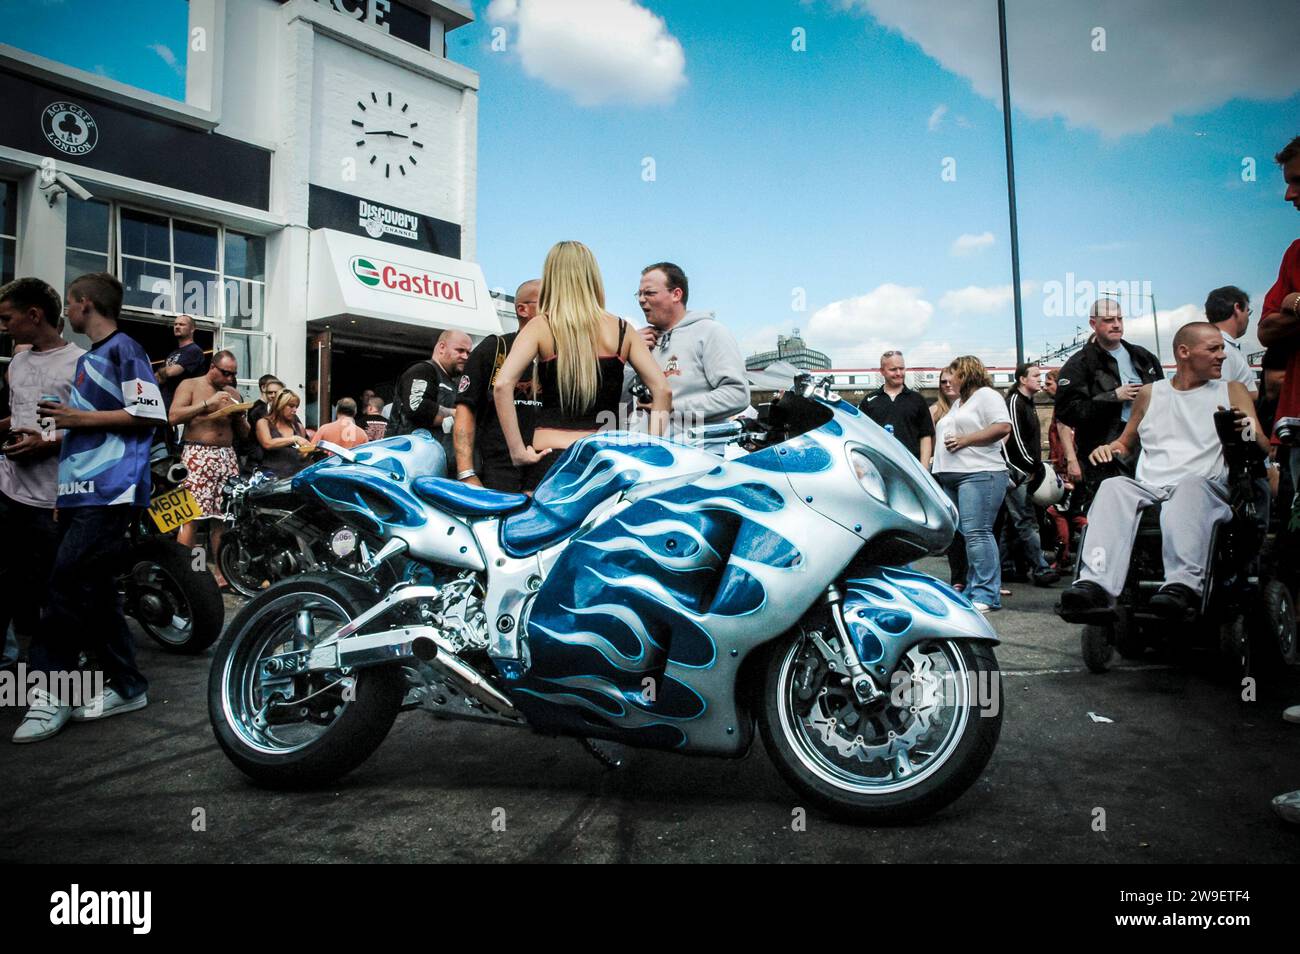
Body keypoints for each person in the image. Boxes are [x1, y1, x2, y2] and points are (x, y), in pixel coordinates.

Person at [12, 273, 167, 742]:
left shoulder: (124, 348)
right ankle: (128, 684)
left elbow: (150, 414)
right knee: (94, 590)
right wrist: (65, 489)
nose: (68, 312)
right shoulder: (91, 360)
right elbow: (85, 436)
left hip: (112, 489)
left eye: (72, 304)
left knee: (62, 583)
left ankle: (48, 693)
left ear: (83, 304)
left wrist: (79, 418)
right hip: (82, 492)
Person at [1058, 322, 1268, 622]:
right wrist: (1109, 449)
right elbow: (1126, 443)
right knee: (1113, 487)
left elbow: (1260, 446)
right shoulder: (1150, 393)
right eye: (1213, 349)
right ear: (1184, 352)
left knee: (1189, 487)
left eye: (1222, 349)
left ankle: (1182, 586)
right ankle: (1095, 585)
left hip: (1205, 485)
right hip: (1152, 485)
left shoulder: (1232, 391)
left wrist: (1243, 428)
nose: (1222, 355)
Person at [494, 241, 671, 492]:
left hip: (550, 458)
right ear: (592, 277)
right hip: (606, 460)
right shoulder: (621, 329)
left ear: (553, 277)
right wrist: (653, 451)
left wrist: (517, 451)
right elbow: (663, 390)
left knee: (539, 530)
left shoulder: (541, 326)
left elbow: (502, 385)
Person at [0, 279, 84, 683]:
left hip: (57, 499)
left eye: (7, 318)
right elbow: (23, 416)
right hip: (10, 491)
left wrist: (47, 444)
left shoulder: (82, 363)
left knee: (57, 590)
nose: (4, 327)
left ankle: (61, 670)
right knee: (11, 584)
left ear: (34, 315)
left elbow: (96, 431)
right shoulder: (16, 364)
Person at [1055, 297, 1164, 493]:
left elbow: (1165, 398)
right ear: (1093, 324)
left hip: (1147, 449)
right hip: (1103, 456)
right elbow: (1067, 412)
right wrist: (1113, 397)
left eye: (1119, 319)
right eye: (1108, 320)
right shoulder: (1078, 364)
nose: (1116, 325)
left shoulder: (1144, 357)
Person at [931, 356, 1013, 613]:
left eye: (952, 374)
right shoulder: (958, 403)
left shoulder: (987, 396)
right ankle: (974, 587)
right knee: (967, 535)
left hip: (979, 473)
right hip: (953, 475)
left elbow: (1002, 427)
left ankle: (987, 594)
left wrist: (966, 440)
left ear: (965, 374)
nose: (949, 380)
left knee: (978, 533)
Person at [631, 262, 748, 435]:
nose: (641, 300)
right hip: (647, 454)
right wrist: (629, 354)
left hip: (696, 457)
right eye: (639, 294)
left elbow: (737, 395)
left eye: (649, 293)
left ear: (676, 294)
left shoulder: (710, 332)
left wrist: (670, 407)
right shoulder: (643, 342)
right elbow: (619, 400)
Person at [169, 350, 250, 587]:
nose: (229, 379)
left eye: (233, 374)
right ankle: (191, 572)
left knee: (222, 518)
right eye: (225, 373)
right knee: (192, 517)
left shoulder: (232, 392)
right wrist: (207, 405)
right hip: (198, 453)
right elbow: (173, 416)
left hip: (226, 456)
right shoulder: (191, 385)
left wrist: (239, 416)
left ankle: (222, 574)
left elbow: (244, 435)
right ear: (212, 367)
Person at [454, 279, 541, 491]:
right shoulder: (494, 349)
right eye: (548, 303)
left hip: (546, 473)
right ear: (522, 309)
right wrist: (466, 473)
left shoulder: (561, 356)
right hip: (497, 472)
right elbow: (465, 412)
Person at [1255, 135, 1300, 494]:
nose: (1289, 196)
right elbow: (1266, 330)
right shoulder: (1295, 253)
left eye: (1298, 181)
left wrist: (1295, 303)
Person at [1002, 363, 1059, 586]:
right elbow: (1015, 440)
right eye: (1035, 375)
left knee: (1013, 522)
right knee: (1026, 520)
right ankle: (1040, 568)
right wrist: (1034, 467)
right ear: (1022, 380)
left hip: (1022, 471)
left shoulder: (1027, 403)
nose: (1040, 379)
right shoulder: (1016, 402)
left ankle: (1006, 566)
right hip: (1019, 472)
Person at [389, 329, 472, 466]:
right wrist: (458, 415)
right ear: (442, 347)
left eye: (468, 353)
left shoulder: (454, 382)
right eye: (460, 350)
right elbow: (417, 408)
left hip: (437, 463)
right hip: (410, 462)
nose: (465, 356)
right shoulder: (422, 370)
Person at [859, 350, 934, 468]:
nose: (899, 373)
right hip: (879, 466)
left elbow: (925, 437)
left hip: (912, 468)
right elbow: (862, 436)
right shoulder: (869, 401)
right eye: (893, 369)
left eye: (902, 368)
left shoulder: (917, 399)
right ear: (882, 371)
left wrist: (924, 469)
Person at [930, 368, 966, 589]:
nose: (947, 385)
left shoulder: (970, 407)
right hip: (944, 473)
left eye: (951, 381)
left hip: (969, 470)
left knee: (975, 528)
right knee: (956, 528)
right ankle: (959, 577)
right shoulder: (935, 411)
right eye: (943, 381)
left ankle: (982, 578)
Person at [1204, 285, 1259, 400]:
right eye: (1248, 311)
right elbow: (1217, 396)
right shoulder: (1222, 350)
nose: (1248, 318)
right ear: (1237, 308)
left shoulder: (1214, 345)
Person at [154, 313, 207, 413]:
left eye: (182, 324)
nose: (177, 327)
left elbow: (171, 372)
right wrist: (162, 373)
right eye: (175, 324)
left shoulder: (194, 350)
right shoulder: (173, 353)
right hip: (164, 405)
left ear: (192, 329)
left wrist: (162, 373)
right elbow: (156, 378)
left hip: (180, 407)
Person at [256, 389, 312, 478]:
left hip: (295, 476)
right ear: (280, 405)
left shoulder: (298, 426)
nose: (295, 410)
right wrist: (294, 439)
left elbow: (303, 455)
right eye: (291, 406)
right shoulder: (264, 423)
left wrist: (308, 450)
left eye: (296, 407)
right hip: (272, 476)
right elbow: (267, 443)